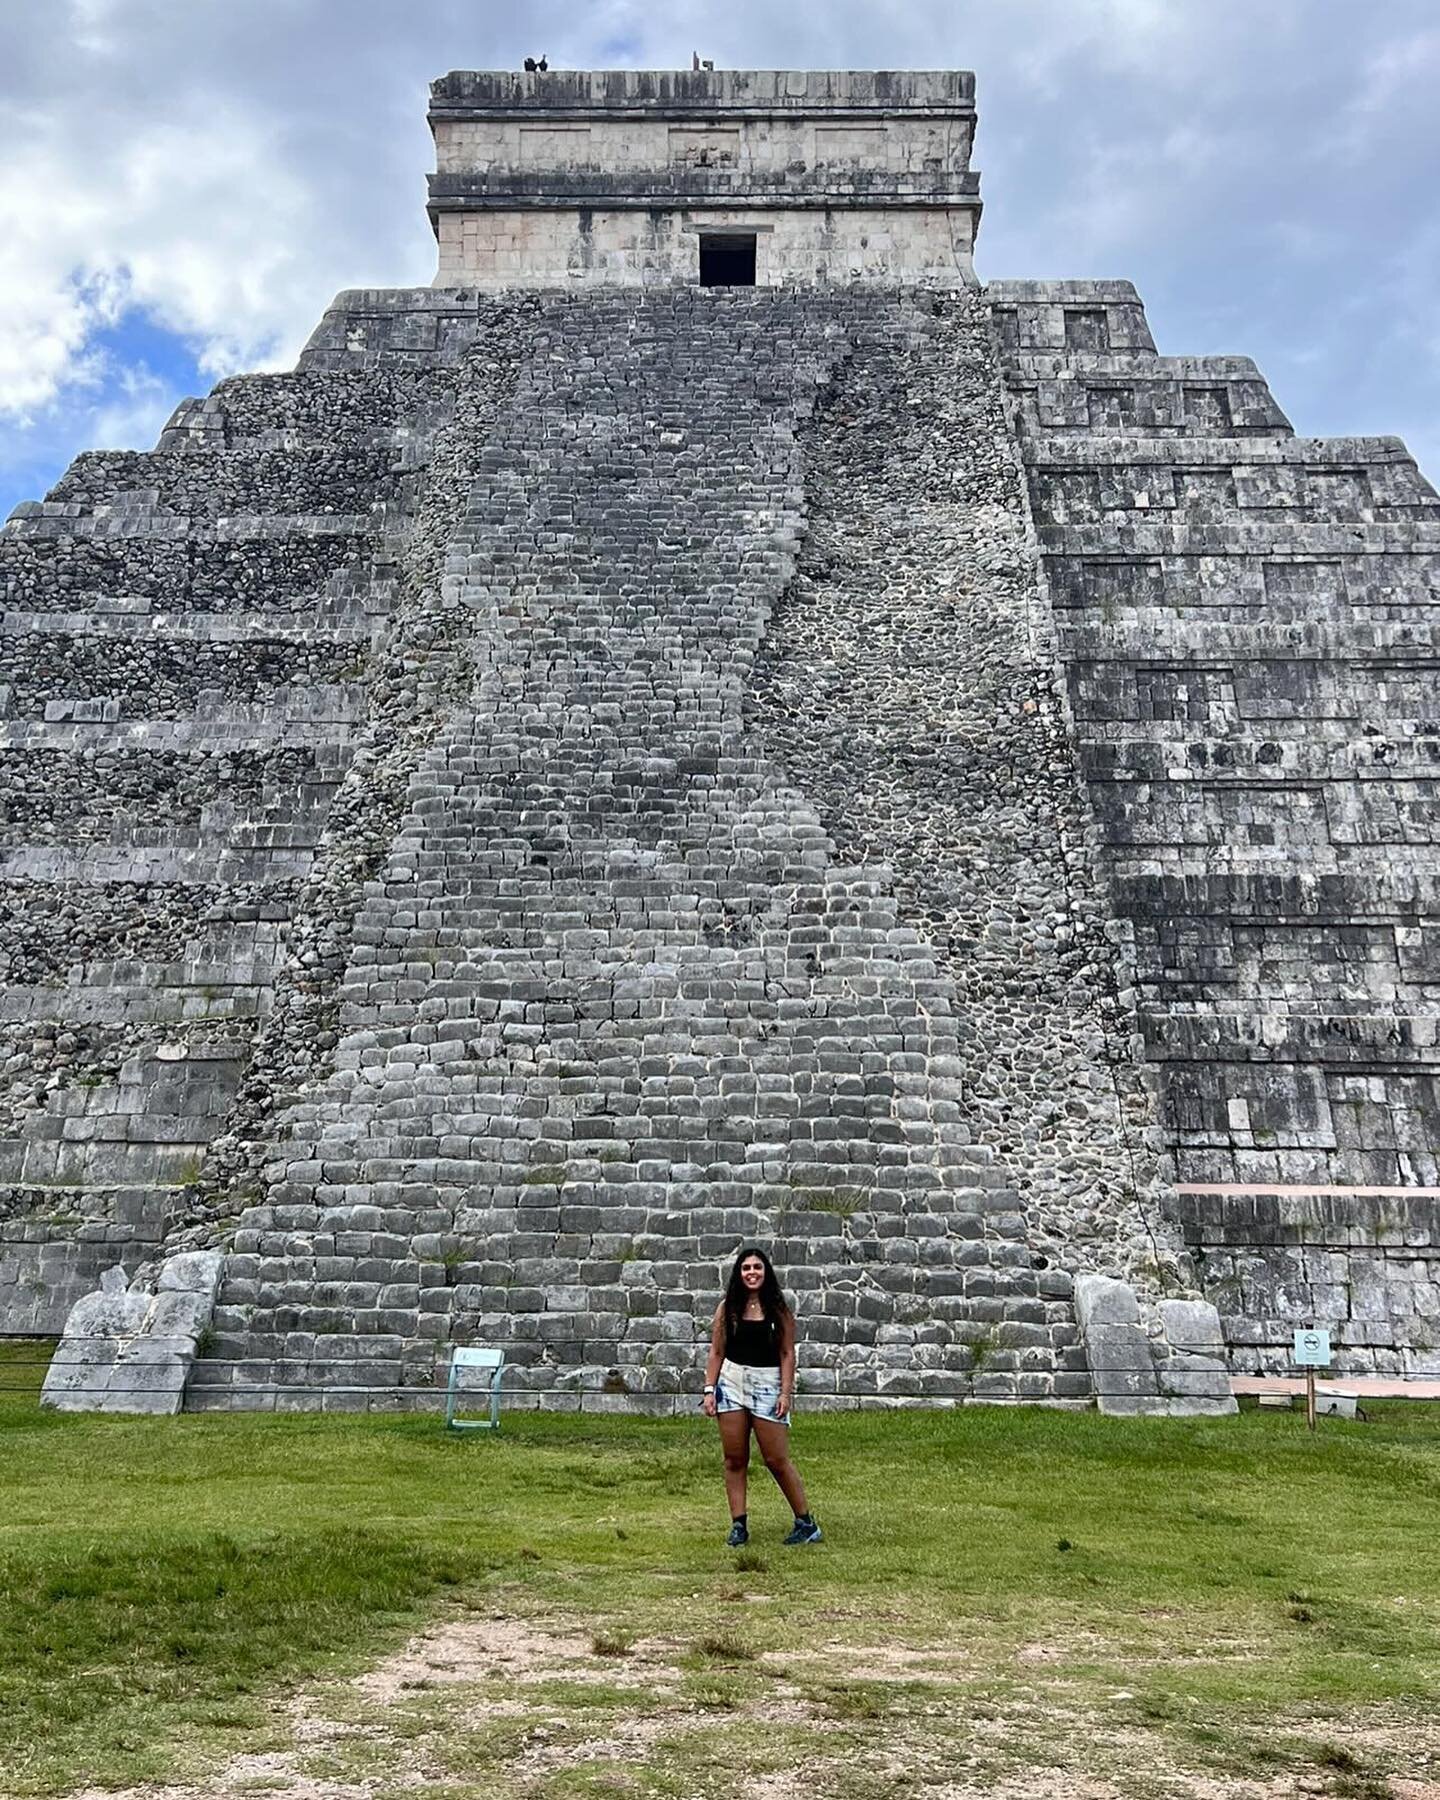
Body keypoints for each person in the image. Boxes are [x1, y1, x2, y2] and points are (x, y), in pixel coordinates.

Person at [701, 1246, 822, 1548]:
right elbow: (716, 1351)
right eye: (745, 1268)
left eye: (757, 1267)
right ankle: (738, 1525)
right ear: (738, 1274)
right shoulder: (727, 1307)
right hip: (732, 1383)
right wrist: (709, 1389)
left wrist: (785, 1392)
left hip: (768, 1384)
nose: (751, 1272)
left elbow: (787, 1353)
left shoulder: (778, 1309)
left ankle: (805, 1523)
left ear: (765, 1273)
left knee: (776, 1459)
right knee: (734, 1458)